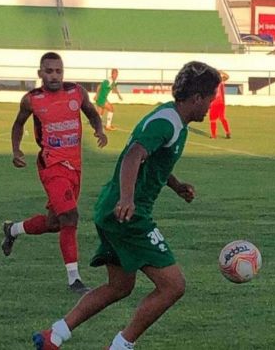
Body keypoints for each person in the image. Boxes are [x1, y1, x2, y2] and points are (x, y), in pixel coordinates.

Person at [32, 61, 221, 350]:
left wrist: (176, 185)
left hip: (112, 209)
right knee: (173, 286)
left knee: (119, 286)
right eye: (210, 99)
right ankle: (121, 346)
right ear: (197, 98)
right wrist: (128, 198)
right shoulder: (166, 122)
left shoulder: (171, 117)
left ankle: (54, 335)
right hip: (127, 214)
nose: (211, 106)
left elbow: (151, 160)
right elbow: (134, 155)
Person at [2, 52, 108, 294]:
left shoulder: (76, 92)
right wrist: (16, 150)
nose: (54, 76)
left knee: (55, 223)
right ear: (40, 74)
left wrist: (99, 129)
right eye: (49, 71)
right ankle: (74, 279)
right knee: (70, 217)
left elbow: (91, 112)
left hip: (75, 166)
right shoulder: (32, 99)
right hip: (52, 166)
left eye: (58, 71)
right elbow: (18, 124)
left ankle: (13, 229)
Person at [209, 70, 231, 139]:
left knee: (217, 119)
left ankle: (215, 135)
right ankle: (216, 134)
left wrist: (221, 71)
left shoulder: (218, 82)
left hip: (218, 103)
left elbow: (227, 76)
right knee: (216, 119)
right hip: (216, 103)